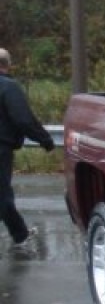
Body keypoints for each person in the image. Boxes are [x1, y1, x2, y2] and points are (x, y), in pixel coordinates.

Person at [0, 47, 55, 248]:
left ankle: (20, 234)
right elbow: (23, 119)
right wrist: (45, 140)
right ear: (6, 65)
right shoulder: (8, 87)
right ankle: (20, 235)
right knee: (3, 196)